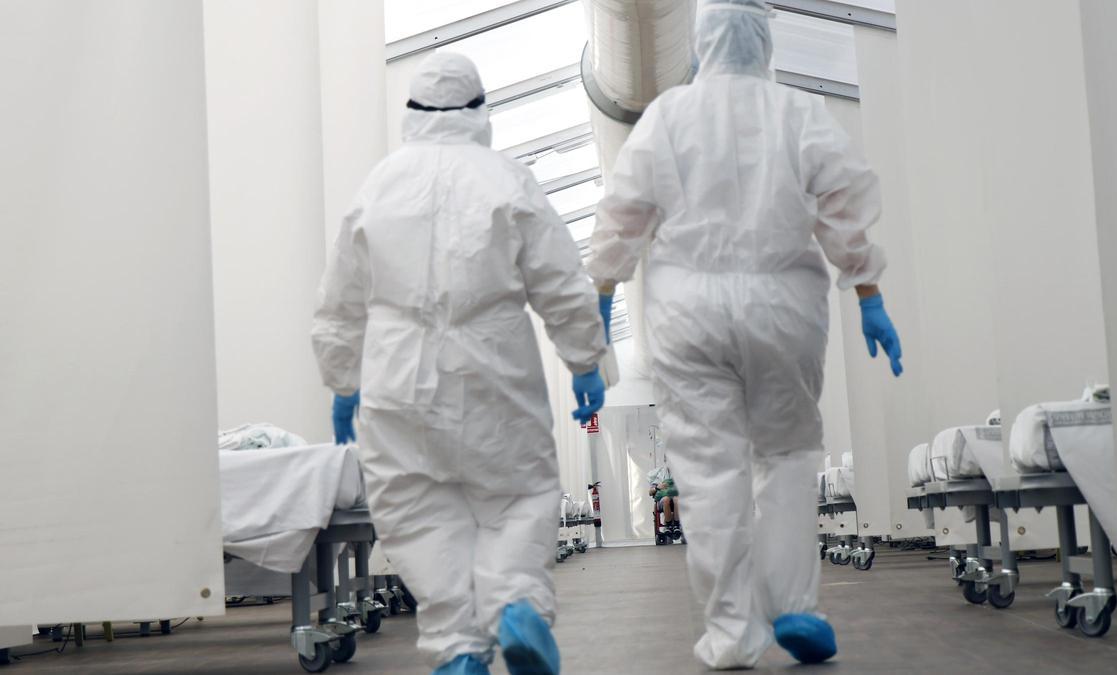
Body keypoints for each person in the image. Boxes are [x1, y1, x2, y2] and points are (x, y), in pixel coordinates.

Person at [586, 0, 902, 669]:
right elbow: (843, 211)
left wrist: (599, 309)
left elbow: (621, 221)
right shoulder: (799, 112)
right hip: (784, 306)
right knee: (786, 455)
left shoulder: (667, 117)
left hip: (687, 312)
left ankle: (732, 633)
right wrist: (869, 294)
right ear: (764, 46)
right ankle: (794, 605)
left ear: (700, 47)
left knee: (709, 470)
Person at [312, 52, 607, 675]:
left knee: (418, 510)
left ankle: (457, 647)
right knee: (518, 495)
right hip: (493, 363)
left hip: (396, 374)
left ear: (411, 113)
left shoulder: (379, 186)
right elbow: (560, 279)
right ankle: (515, 604)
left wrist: (344, 381)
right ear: (479, 111)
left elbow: (340, 300)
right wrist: (584, 360)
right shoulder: (508, 180)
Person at [647, 464, 680, 535]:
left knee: (677, 499)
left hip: (677, 500)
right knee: (666, 499)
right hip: (664, 500)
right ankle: (668, 526)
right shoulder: (660, 474)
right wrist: (657, 487)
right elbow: (650, 492)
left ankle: (677, 525)